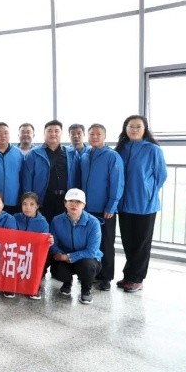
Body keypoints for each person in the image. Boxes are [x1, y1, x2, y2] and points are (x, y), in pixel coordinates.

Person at [115, 115, 167, 293]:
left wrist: (148, 191)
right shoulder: (120, 149)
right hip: (124, 204)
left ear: (145, 129)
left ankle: (137, 279)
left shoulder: (153, 149)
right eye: (131, 126)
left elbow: (161, 175)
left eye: (138, 126)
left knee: (141, 244)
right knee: (128, 242)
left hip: (145, 205)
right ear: (125, 128)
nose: (134, 130)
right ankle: (129, 275)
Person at [80, 123, 124, 291]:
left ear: (105, 136)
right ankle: (92, 274)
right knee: (90, 243)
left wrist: (111, 205)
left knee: (106, 243)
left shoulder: (112, 156)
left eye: (98, 134)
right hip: (86, 209)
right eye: (91, 134)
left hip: (104, 209)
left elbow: (117, 182)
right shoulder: (85, 155)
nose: (95, 137)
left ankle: (106, 277)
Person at [49, 188, 102, 305]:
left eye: (78, 202)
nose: (74, 204)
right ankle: (67, 283)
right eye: (71, 201)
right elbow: (53, 244)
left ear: (84, 205)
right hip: (64, 257)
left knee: (87, 265)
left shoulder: (93, 223)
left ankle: (86, 290)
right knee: (57, 269)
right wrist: (59, 254)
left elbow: (92, 251)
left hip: (86, 259)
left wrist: (68, 257)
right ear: (65, 203)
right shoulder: (57, 220)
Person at [21, 120, 80, 224]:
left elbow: (77, 178)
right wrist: (30, 201)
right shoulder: (34, 154)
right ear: (44, 133)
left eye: (56, 131)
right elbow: (27, 179)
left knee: (63, 229)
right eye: (49, 131)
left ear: (61, 133)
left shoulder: (71, 153)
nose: (53, 134)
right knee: (43, 229)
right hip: (43, 200)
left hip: (66, 200)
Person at [14, 192, 54, 300]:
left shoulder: (43, 223)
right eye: (25, 204)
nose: (28, 207)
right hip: (17, 252)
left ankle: (34, 286)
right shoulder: (15, 218)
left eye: (32, 204)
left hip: (33, 254)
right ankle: (11, 283)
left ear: (37, 206)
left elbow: (44, 245)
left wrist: (49, 241)